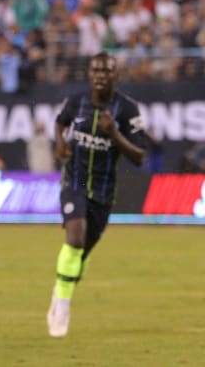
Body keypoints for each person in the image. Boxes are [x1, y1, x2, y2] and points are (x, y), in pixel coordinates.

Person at [47, 52, 146, 338]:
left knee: (82, 252)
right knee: (75, 237)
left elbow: (139, 156)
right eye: (96, 70)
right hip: (73, 183)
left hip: (103, 192)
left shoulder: (127, 110)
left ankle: (61, 291)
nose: (101, 75)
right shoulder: (76, 101)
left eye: (107, 71)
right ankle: (62, 306)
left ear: (116, 76)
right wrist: (59, 142)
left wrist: (114, 134)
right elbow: (60, 122)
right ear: (90, 74)